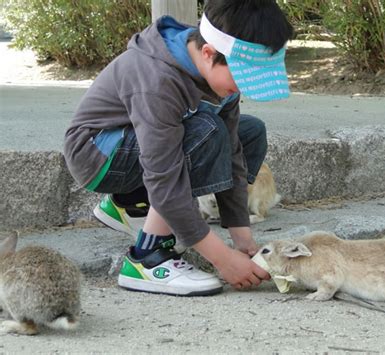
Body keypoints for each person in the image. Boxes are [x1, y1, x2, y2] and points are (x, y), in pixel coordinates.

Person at [64, 0, 294, 296]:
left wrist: (241, 236)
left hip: (143, 147)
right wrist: (222, 259)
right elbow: (164, 175)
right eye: (243, 77)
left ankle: (131, 203)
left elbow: (235, 153)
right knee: (207, 131)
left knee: (249, 132)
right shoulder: (156, 79)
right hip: (99, 156)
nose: (245, 88)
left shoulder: (215, 68)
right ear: (209, 54)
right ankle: (147, 258)